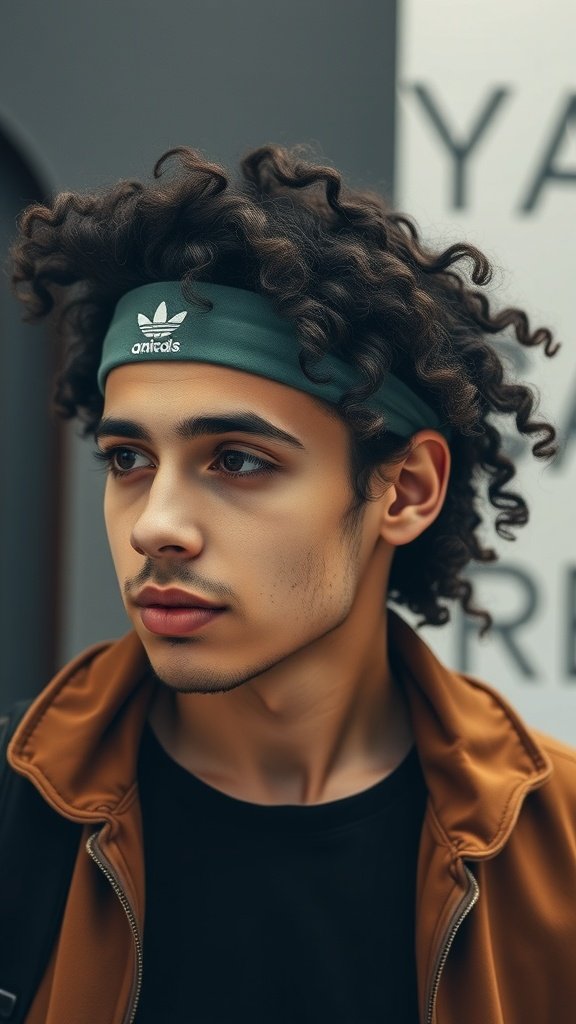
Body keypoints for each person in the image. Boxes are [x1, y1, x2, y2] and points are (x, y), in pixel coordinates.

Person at [4, 144, 576, 1024]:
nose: (155, 525)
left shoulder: (560, 844)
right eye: (128, 459)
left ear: (404, 490)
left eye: (236, 460)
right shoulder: (15, 814)